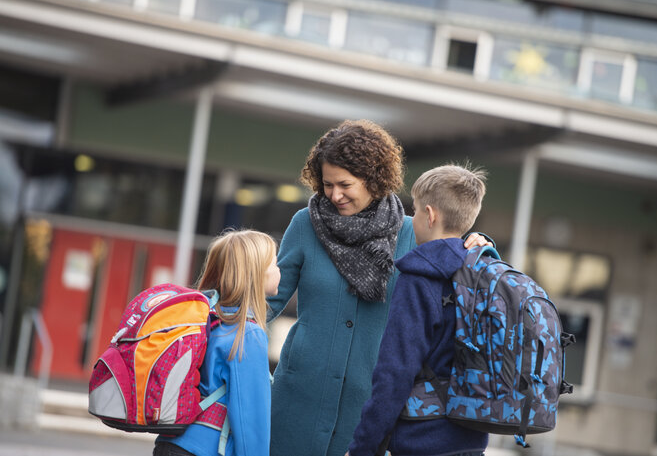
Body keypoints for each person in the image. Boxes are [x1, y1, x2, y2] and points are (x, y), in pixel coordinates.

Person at [267, 120, 490, 456]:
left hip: (368, 416)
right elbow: (268, 300)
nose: (334, 195)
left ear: (373, 179)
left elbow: (464, 286)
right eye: (327, 184)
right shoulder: (305, 224)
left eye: (345, 184)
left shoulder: (414, 234)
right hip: (296, 404)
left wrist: (482, 245)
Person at [346, 164, 491, 456]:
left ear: (430, 214)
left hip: (421, 438)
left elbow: (394, 373)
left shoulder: (419, 277)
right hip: (472, 439)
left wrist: (362, 447)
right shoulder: (485, 270)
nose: (411, 218)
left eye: (414, 210)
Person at [154, 229, 280, 456]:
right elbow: (250, 419)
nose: (279, 270)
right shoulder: (247, 334)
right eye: (275, 263)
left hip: (170, 443)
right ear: (257, 273)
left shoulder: (208, 320)